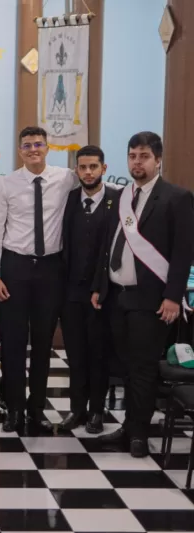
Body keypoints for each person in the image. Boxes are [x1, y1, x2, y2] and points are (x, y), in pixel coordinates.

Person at [92, 132, 194, 457]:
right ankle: (128, 426)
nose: (137, 162)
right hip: (117, 297)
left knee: (143, 368)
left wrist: (173, 296)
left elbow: (183, 252)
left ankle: (138, 433)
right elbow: (108, 244)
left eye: (144, 156)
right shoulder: (120, 197)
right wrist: (100, 286)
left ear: (158, 160)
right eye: (132, 156)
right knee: (124, 366)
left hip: (152, 299)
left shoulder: (177, 197)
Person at [0, 126, 76, 433]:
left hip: (51, 269)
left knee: (42, 343)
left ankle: (36, 409)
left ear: (47, 148)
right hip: (15, 268)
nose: (33, 149)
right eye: (27, 145)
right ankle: (13, 408)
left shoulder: (66, 178)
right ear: (20, 151)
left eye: (38, 144)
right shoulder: (7, 184)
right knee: (11, 343)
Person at [58, 145, 118, 434]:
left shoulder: (118, 200)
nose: (88, 172)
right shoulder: (68, 199)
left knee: (98, 354)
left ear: (103, 168)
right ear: (77, 170)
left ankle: (97, 411)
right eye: (83, 167)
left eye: (93, 166)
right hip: (70, 291)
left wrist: (101, 287)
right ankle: (77, 409)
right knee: (76, 354)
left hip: (102, 292)